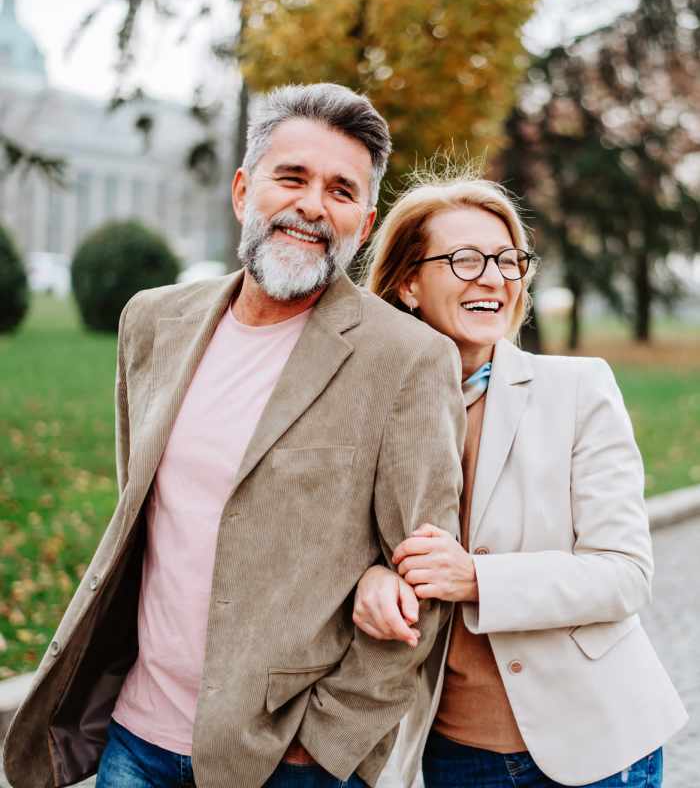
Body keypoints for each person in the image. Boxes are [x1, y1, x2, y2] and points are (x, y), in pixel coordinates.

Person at [2, 84, 467, 788]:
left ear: (363, 223)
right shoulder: (153, 322)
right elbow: (143, 520)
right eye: (292, 177)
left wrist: (327, 744)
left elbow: (424, 581)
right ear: (244, 189)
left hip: (283, 759)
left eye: (341, 191)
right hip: (135, 737)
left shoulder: (405, 359)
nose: (313, 204)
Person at [353, 172, 688, 788]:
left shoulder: (579, 390)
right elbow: (347, 542)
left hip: (596, 748)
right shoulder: (368, 409)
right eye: (465, 259)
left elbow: (625, 573)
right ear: (407, 283)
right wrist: (371, 577)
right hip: (453, 753)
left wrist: (474, 578)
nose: (494, 277)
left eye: (509, 260)